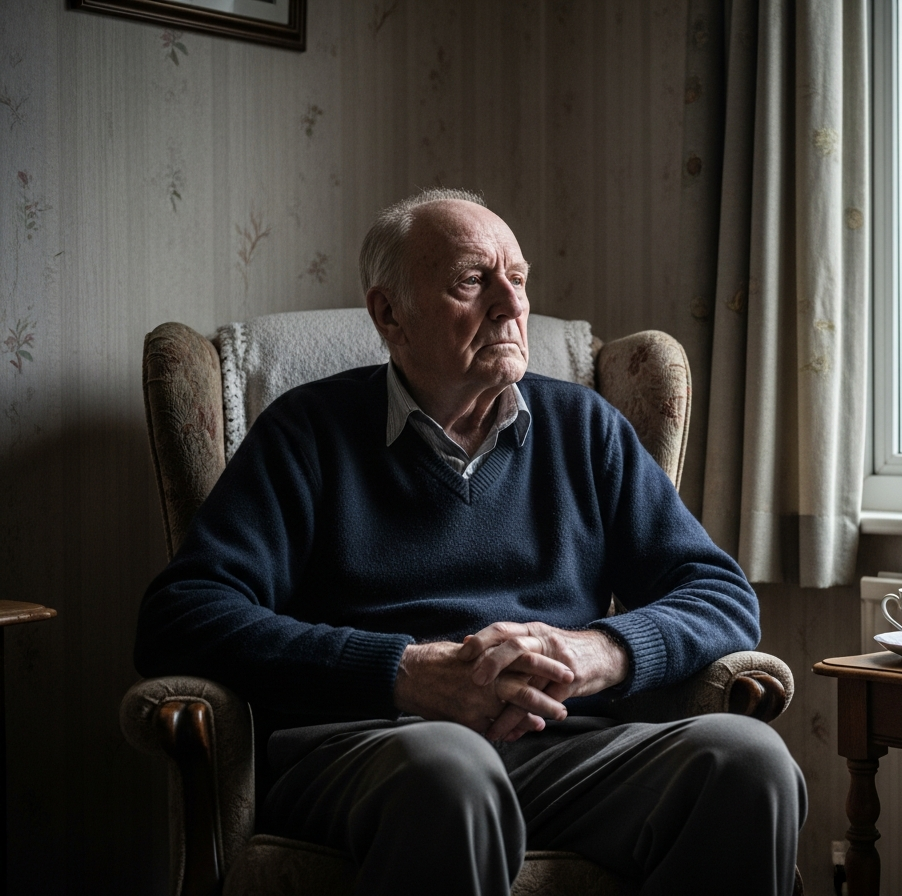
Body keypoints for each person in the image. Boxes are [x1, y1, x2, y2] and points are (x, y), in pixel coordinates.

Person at [134, 188, 806, 895]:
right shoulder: (308, 432)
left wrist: (599, 651)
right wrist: (402, 671)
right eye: (472, 280)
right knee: (451, 772)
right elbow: (180, 617)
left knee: (749, 761)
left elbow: (720, 595)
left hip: (563, 752)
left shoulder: (585, 427)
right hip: (374, 751)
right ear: (389, 314)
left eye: (516, 279)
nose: (512, 306)